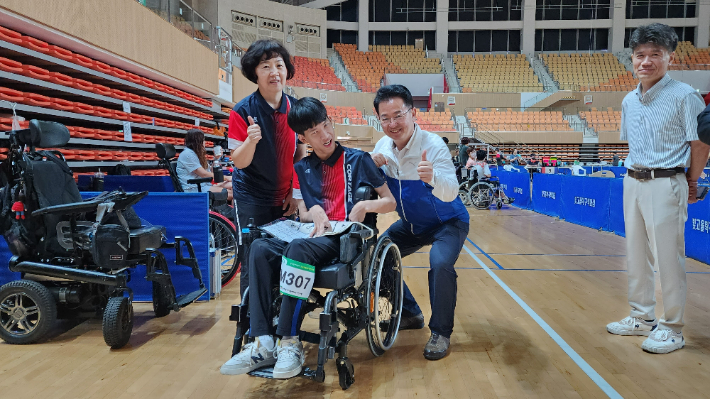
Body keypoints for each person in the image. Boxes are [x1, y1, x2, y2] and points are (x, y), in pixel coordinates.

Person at [220, 97, 396, 378]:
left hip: (344, 240)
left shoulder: (358, 160)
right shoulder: (301, 168)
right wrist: (312, 210)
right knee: (260, 247)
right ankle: (263, 341)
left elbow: (390, 202)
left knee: (298, 251)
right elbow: (301, 211)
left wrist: (365, 205)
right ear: (302, 138)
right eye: (314, 132)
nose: (325, 135)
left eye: (326, 125)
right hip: (313, 235)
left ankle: (289, 342)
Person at [606, 23, 710, 354]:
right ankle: (642, 317)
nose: (646, 61)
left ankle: (673, 327)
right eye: (640, 55)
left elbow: (700, 144)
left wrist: (692, 181)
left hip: (667, 181)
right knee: (636, 254)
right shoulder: (628, 100)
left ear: (670, 58)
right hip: (632, 180)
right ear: (632, 60)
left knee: (668, 257)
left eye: (655, 55)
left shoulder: (685, 96)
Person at [370, 85, 470, 361]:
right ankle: (411, 313)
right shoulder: (382, 146)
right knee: (377, 258)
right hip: (412, 226)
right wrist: (371, 166)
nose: (393, 124)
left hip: (448, 223)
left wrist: (432, 178)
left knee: (440, 264)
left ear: (412, 113)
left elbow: (451, 191)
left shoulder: (433, 145)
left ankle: (440, 333)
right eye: (385, 118)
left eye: (398, 115)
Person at [228, 39, 307, 295]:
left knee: (286, 254)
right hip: (252, 197)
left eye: (279, 65)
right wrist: (251, 139)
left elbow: (300, 154)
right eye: (265, 66)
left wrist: (295, 193)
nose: (274, 72)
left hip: (284, 197)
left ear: (287, 70)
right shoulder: (241, 111)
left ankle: (279, 317)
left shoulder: (295, 108)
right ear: (255, 73)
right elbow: (239, 161)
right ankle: (252, 324)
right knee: (253, 257)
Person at [176, 129, 232, 200]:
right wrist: (227, 177)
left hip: (204, 184)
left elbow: (210, 172)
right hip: (195, 188)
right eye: (203, 140)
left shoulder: (196, 154)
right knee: (233, 194)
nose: (204, 142)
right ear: (198, 141)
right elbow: (204, 174)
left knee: (233, 186)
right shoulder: (188, 154)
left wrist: (216, 159)